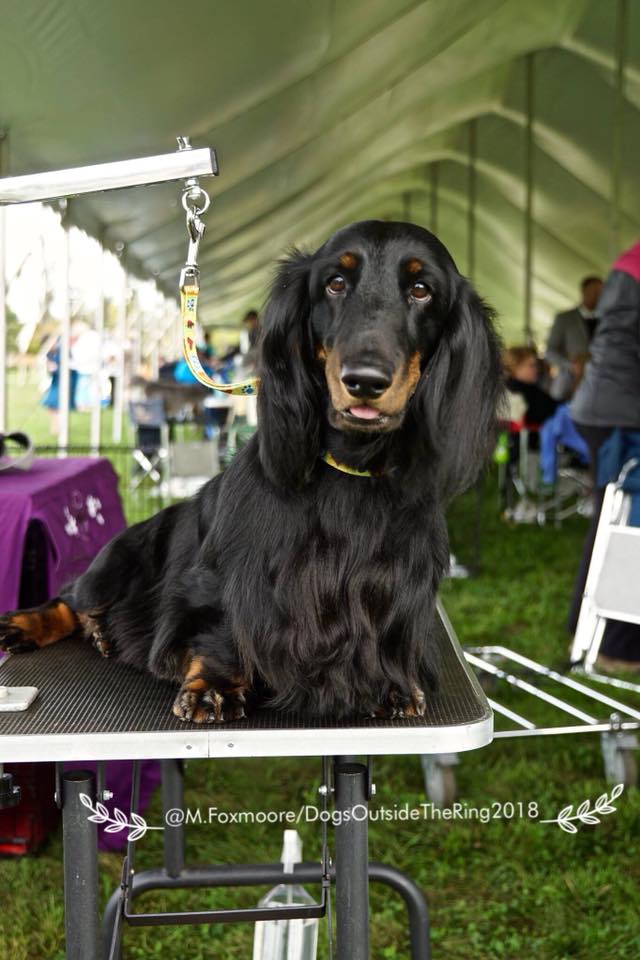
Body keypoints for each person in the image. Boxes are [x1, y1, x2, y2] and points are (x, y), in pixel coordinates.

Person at [568, 240, 640, 670]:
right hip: (620, 414)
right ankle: (615, 648)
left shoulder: (629, 266)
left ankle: (588, 630)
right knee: (627, 525)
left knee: (610, 522)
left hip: (608, 408)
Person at [546, 275, 603, 400]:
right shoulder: (564, 318)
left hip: (600, 386)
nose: (597, 295)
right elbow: (550, 352)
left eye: (600, 291)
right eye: (594, 291)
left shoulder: (608, 320)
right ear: (583, 291)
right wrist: (570, 365)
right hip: (568, 386)